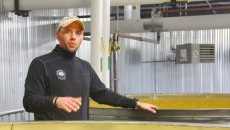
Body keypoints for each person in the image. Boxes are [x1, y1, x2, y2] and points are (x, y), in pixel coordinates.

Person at [23, 16, 158, 120]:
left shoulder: (84, 67)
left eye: (78, 33)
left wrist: (135, 103)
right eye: (67, 32)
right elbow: (29, 101)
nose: (73, 37)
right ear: (58, 35)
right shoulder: (41, 64)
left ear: (82, 37)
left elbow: (102, 94)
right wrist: (55, 101)